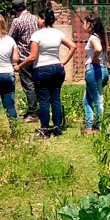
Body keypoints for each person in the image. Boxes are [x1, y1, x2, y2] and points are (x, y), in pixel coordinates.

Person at [15, 8, 76, 138]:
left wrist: (19, 66)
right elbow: (73, 46)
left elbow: (32, 57)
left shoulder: (37, 35)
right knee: (56, 99)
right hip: (57, 68)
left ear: (43, 19)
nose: (37, 20)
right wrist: (63, 62)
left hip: (42, 69)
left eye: (38, 18)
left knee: (44, 101)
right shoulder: (58, 33)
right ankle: (57, 129)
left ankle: (44, 130)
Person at [9, 0, 39, 122]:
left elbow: (11, 38)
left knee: (28, 86)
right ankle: (35, 109)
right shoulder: (36, 18)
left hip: (24, 58)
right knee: (37, 84)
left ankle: (33, 112)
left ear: (15, 10)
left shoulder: (17, 21)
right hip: (37, 56)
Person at [83, 15, 110, 134]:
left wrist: (94, 58)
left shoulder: (93, 37)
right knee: (87, 99)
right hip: (102, 70)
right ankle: (89, 126)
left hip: (94, 70)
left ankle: (98, 126)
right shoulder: (100, 37)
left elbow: (98, 49)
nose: (83, 25)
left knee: (97, 99)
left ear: (90, 24)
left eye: (84, 23)